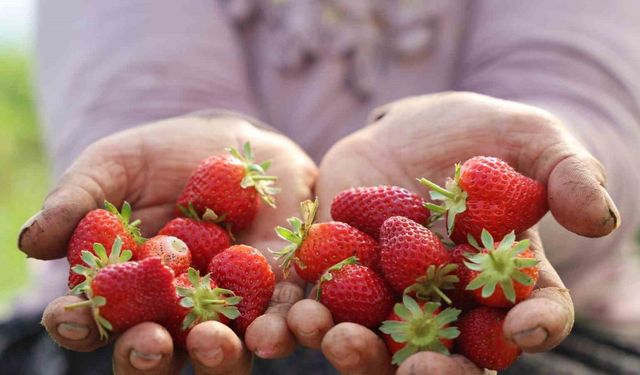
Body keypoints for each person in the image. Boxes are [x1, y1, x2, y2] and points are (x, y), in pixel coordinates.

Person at [10, 0, 640, 374]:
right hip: (156, 315)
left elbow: (591, 97)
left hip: (536, 306)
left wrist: (530, 170)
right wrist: (203, 155)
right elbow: (136, 88)